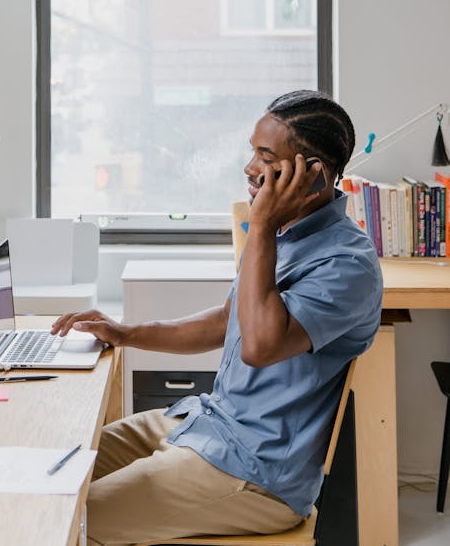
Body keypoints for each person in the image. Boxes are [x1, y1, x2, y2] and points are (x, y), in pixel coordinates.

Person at [51, 90, 383, 546]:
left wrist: (262, 226)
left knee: (65, 520)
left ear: (314, 176)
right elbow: (227, 322)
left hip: (256, 473)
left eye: (265, 156)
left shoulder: (346, 264)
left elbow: (260, 346)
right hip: (207, 425)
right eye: (252, 150)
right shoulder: (285, 235)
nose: (249, 167)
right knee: (52, 469)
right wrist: (126, 332)